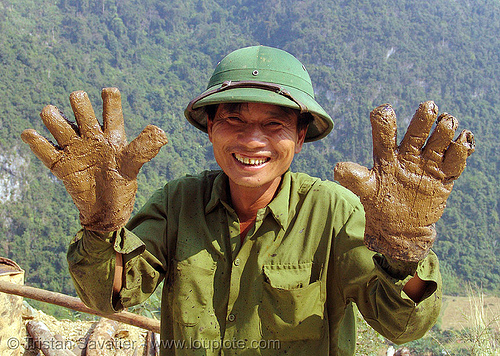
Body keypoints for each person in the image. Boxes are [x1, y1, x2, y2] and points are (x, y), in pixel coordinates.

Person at [21, 45, 475, 355]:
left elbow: (404, 324)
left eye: (274, 125)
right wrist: (100, 225)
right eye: (233, 119)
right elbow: (110, 294)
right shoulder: (180, 203)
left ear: (300, 139)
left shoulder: (334, 212)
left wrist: (403, 254)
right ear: (211, 130)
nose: (251, 139)